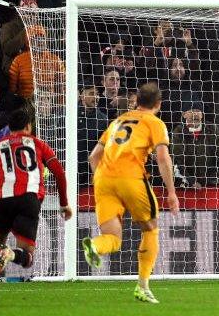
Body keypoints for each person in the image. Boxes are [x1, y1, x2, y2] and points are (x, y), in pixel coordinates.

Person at [80, 83, 180, 304]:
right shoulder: (155, 122)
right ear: (158, 104)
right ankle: (142, 286)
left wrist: (105, 180)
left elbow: (93, 156)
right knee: (150, 228)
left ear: (137, 101)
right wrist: (171, 193)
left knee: (113, 238)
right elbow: (163, 158)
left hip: (103, 180)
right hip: (131, 178)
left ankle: (95, 246)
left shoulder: (118, 121)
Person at [0, 105, 72, 303]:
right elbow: (59, 172)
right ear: (28, 126)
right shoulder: (39, 144)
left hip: (3, 201)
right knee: (27, 258)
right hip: (28, 200)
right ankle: (11, 254)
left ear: (10, 126)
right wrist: (64, 203)